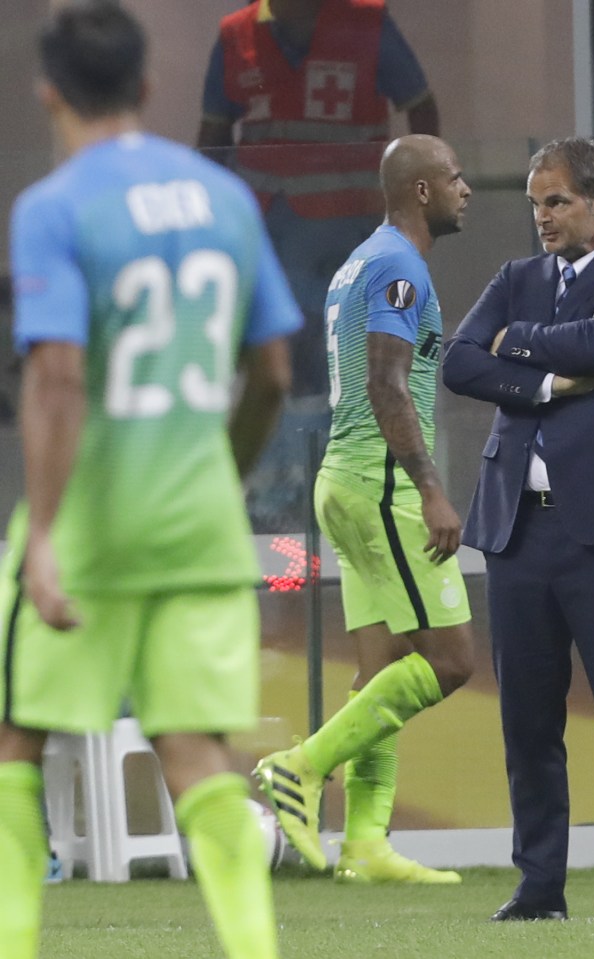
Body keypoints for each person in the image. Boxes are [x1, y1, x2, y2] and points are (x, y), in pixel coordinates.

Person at [0, 4, 302, 958]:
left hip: (87, 521)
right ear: (147, 86)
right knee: (195, 752)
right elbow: (274, 375)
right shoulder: (225, 198)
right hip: (196, 520)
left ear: (49, 90)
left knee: (17, 739)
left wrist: (44, 534)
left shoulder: (51, 208)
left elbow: (54, 375)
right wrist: (223, 470)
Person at [443, 137, 594, 921]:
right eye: (533, 203)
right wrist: (547, 375)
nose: (541, 217)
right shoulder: (517, 277)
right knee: (526, 721)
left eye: (555, 201)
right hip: (518, 531)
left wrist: (512, 345)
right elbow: (457, 361)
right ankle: (539, 886)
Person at [255, 134, 474, 883]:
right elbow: (386, 382)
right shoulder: (398, 267)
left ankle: (366, 842)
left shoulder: (359, 261)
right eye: (453, 178)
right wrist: (431, 486)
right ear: (419, 190)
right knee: (449, 661)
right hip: (381, 483)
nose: (465, 188)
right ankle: (299, 764)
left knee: (381, 670)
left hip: (343, 480)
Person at [197, 0, 440, 530]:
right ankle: (282, 497)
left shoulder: (366, 22)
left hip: (350, 229)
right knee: (280, 357)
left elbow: (421, 106)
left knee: (347, 360)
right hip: (266, 229)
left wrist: (419, 198)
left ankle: (344, 491)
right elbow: (212, 135)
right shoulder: (236, 34)